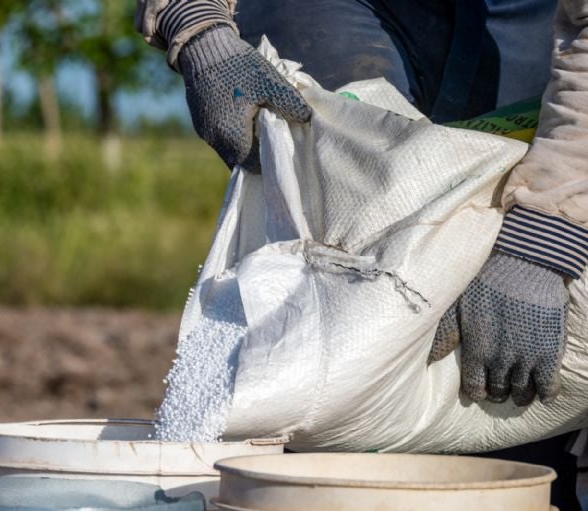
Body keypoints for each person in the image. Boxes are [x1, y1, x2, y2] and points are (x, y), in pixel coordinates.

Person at [135, 0, 587, 508]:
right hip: (340, 11)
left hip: (544, 28)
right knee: (341, 221)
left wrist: (547, 232)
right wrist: (198, 25)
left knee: (506, 376)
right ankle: (313, 469)